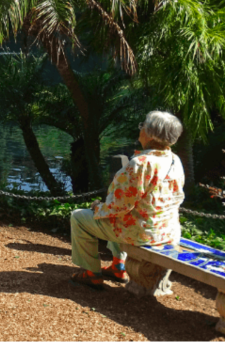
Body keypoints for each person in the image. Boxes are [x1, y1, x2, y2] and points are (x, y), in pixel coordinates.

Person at [70, 111, 185, 290]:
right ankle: (118, 266)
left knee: (79, 217)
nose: (140, 130)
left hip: (143, 233)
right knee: (125, 218)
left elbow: (120, 206)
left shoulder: (141, 163)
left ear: (149, 133)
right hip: (167, 231)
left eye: (143, 126)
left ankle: (91, 273)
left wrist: (97, 207)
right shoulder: (175, 160)